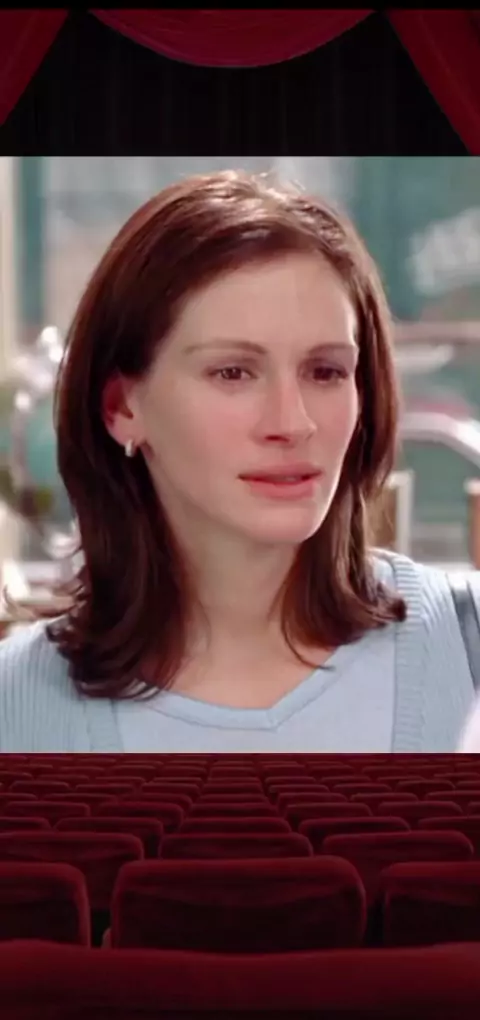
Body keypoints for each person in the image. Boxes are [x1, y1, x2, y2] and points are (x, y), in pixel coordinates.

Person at [0, 168, 478, 753]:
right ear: (122, 407)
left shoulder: (465, 649)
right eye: (232, 373)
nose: (292, 422)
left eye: (325, 371)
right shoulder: (16, 708)